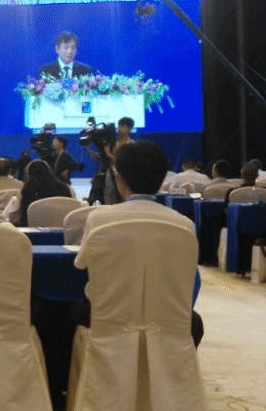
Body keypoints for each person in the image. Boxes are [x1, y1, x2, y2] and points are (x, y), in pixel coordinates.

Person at [74, 140, 204, 346]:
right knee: (194, 322)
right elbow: (191, 281)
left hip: (109, 318)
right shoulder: (185, 225)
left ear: (120, 179)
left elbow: (81, 265)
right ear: (161, 179)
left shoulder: (98, 219)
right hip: (167, 319)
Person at [10, 160, 73, 226]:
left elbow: (14, 216)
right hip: (63, 229)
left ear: (28, 174)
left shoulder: (26, 190)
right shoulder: (65, 188)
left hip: (31, 230)